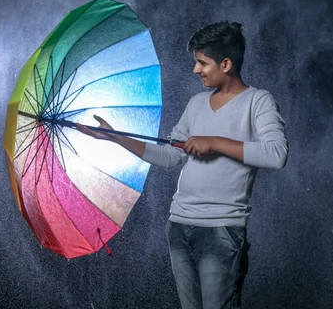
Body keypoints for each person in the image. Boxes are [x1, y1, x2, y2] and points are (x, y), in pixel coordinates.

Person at [76, 21, 288, 309]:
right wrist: (115, 137)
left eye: (202, 63)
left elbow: (276, 154)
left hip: (222, 231)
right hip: (179, 226)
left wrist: (214, 142)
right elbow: (169, 156)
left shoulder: (258, 101)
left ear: (226, 64)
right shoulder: (196, 103)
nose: (195, 70)